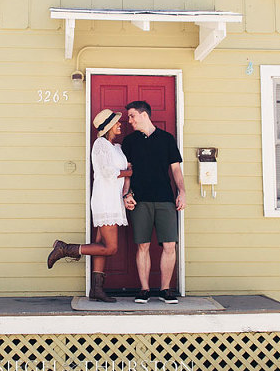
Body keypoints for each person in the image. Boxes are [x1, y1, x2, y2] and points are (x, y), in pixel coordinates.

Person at [47, 109, 132, 303]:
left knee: (101, 244)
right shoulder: (100, 144)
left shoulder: (117, 147)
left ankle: (97, 289)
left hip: (114, 199)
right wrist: (128, 173)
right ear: (108, 127)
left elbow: (124, 170)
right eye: (117, 123)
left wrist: (127, 180)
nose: (121, 124)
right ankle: (66, 249)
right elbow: (108, 172)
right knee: (110, 248)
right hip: (105, 199)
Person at [121, 100, 185, 304]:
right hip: (140, 200)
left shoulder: (166, 139)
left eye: (132, 115)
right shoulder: (129, 142)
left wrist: (182, 192)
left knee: (169, 245)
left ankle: (166, 290)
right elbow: (127, 173)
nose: (129, 120)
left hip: (165, 199)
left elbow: (176, 169)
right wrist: (126, 194)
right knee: (143, 245)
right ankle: (144, 289)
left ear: (144, 115)